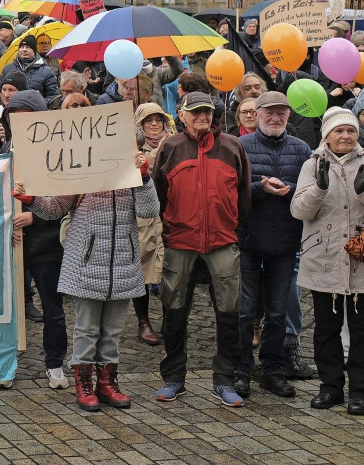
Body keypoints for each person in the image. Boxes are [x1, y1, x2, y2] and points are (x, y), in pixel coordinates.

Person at [27, 148, 158, 412]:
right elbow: (54, 208)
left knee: (113, 329)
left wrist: (144, 177)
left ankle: (106, 383)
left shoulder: (131, 167)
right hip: (87, 264)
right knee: (86, 329)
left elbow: (149, 210)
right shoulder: (81, 168)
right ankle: (84, 384)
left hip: (122, 262)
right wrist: (29, 198)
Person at [152, 91, 251, 406]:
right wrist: (170, 226)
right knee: (174, 311)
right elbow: (157, 193)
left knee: (229, 313)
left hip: (223, 240)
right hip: (180, 241)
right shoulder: (169, 147)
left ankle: (224, 380)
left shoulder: (232, 147)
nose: (202, 117)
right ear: (181, 115)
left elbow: (244, 195)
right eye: (195, 112)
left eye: (207, 111)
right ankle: (173, 378)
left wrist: (230, 225)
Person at [233, 91, 309, 399]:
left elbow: (310, 192)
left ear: (289, 115)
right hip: (248, 239)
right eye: (270, 112)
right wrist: (259, 188)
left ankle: (272, 370)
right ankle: (241, 370)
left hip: (285, 243)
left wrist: (289, 188)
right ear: (257, 113)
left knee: (277, 313)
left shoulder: (301, 149)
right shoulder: (240, 145)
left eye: (281, 113)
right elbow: (231, 191)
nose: (275, 118)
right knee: (244, 311)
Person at [290, 107, 364, 415]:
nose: (345, 136)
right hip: (324, 257)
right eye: (339, 131)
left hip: (359, 259)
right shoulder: (312, 164)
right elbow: (299, 211)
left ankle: (359, 391)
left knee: (361, 330)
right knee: (325, 328)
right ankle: (330, 387)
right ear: (327, 136)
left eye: (350, 130)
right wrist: (319, 189)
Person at [133, 103, 172, 346]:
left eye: (158, 119)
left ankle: (169, 318)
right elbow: (142, 169)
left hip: (170, 215)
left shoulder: (175, 142)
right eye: (148, 120)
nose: (154, 124)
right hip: (144, 216)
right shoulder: (134, 147)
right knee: (142, 268)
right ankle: (143, 321)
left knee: (170, 270)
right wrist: (160, 150)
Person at [1, 35, 58, 105]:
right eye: (22, 47)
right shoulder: (8, 69)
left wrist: (38, 105)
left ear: (34, 50)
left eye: (28, 47)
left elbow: (53, 95)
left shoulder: (47, 71)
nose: (24, 50)